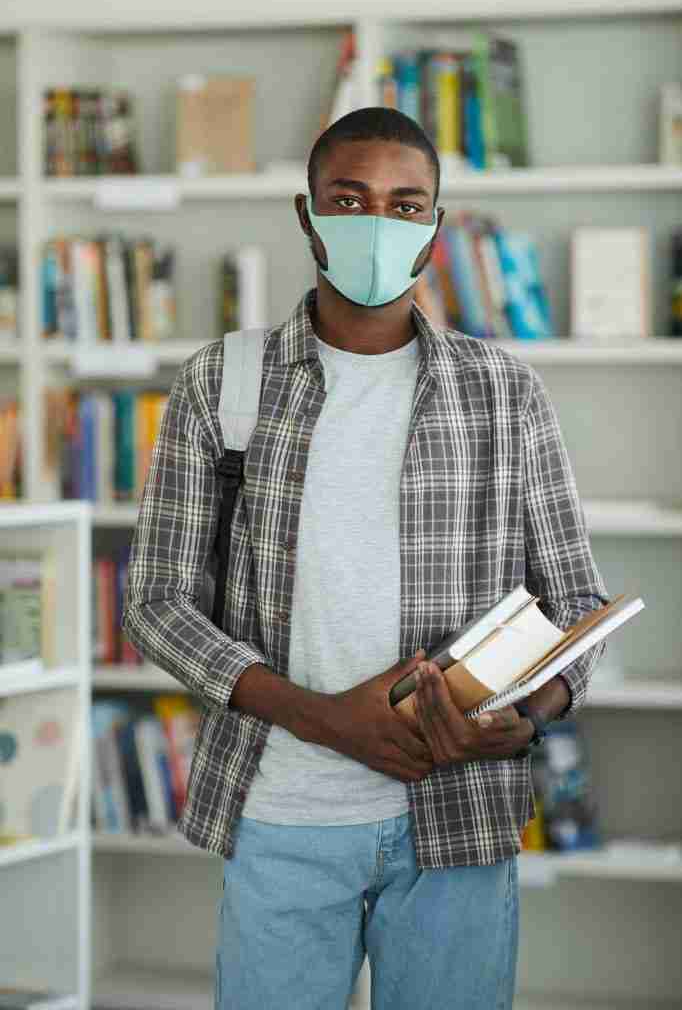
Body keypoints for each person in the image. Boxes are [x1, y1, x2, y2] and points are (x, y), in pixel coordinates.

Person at [123, 106, 610, 1010]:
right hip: (280, 815)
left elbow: (575, 603)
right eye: (348, 200)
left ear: (433, 229)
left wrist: (527, 714)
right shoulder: (222, 381)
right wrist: (318, 716)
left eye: (404, 204)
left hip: (457, 818)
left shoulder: (503, 391)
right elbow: (155, 601)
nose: (376, 224)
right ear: (306, 215)